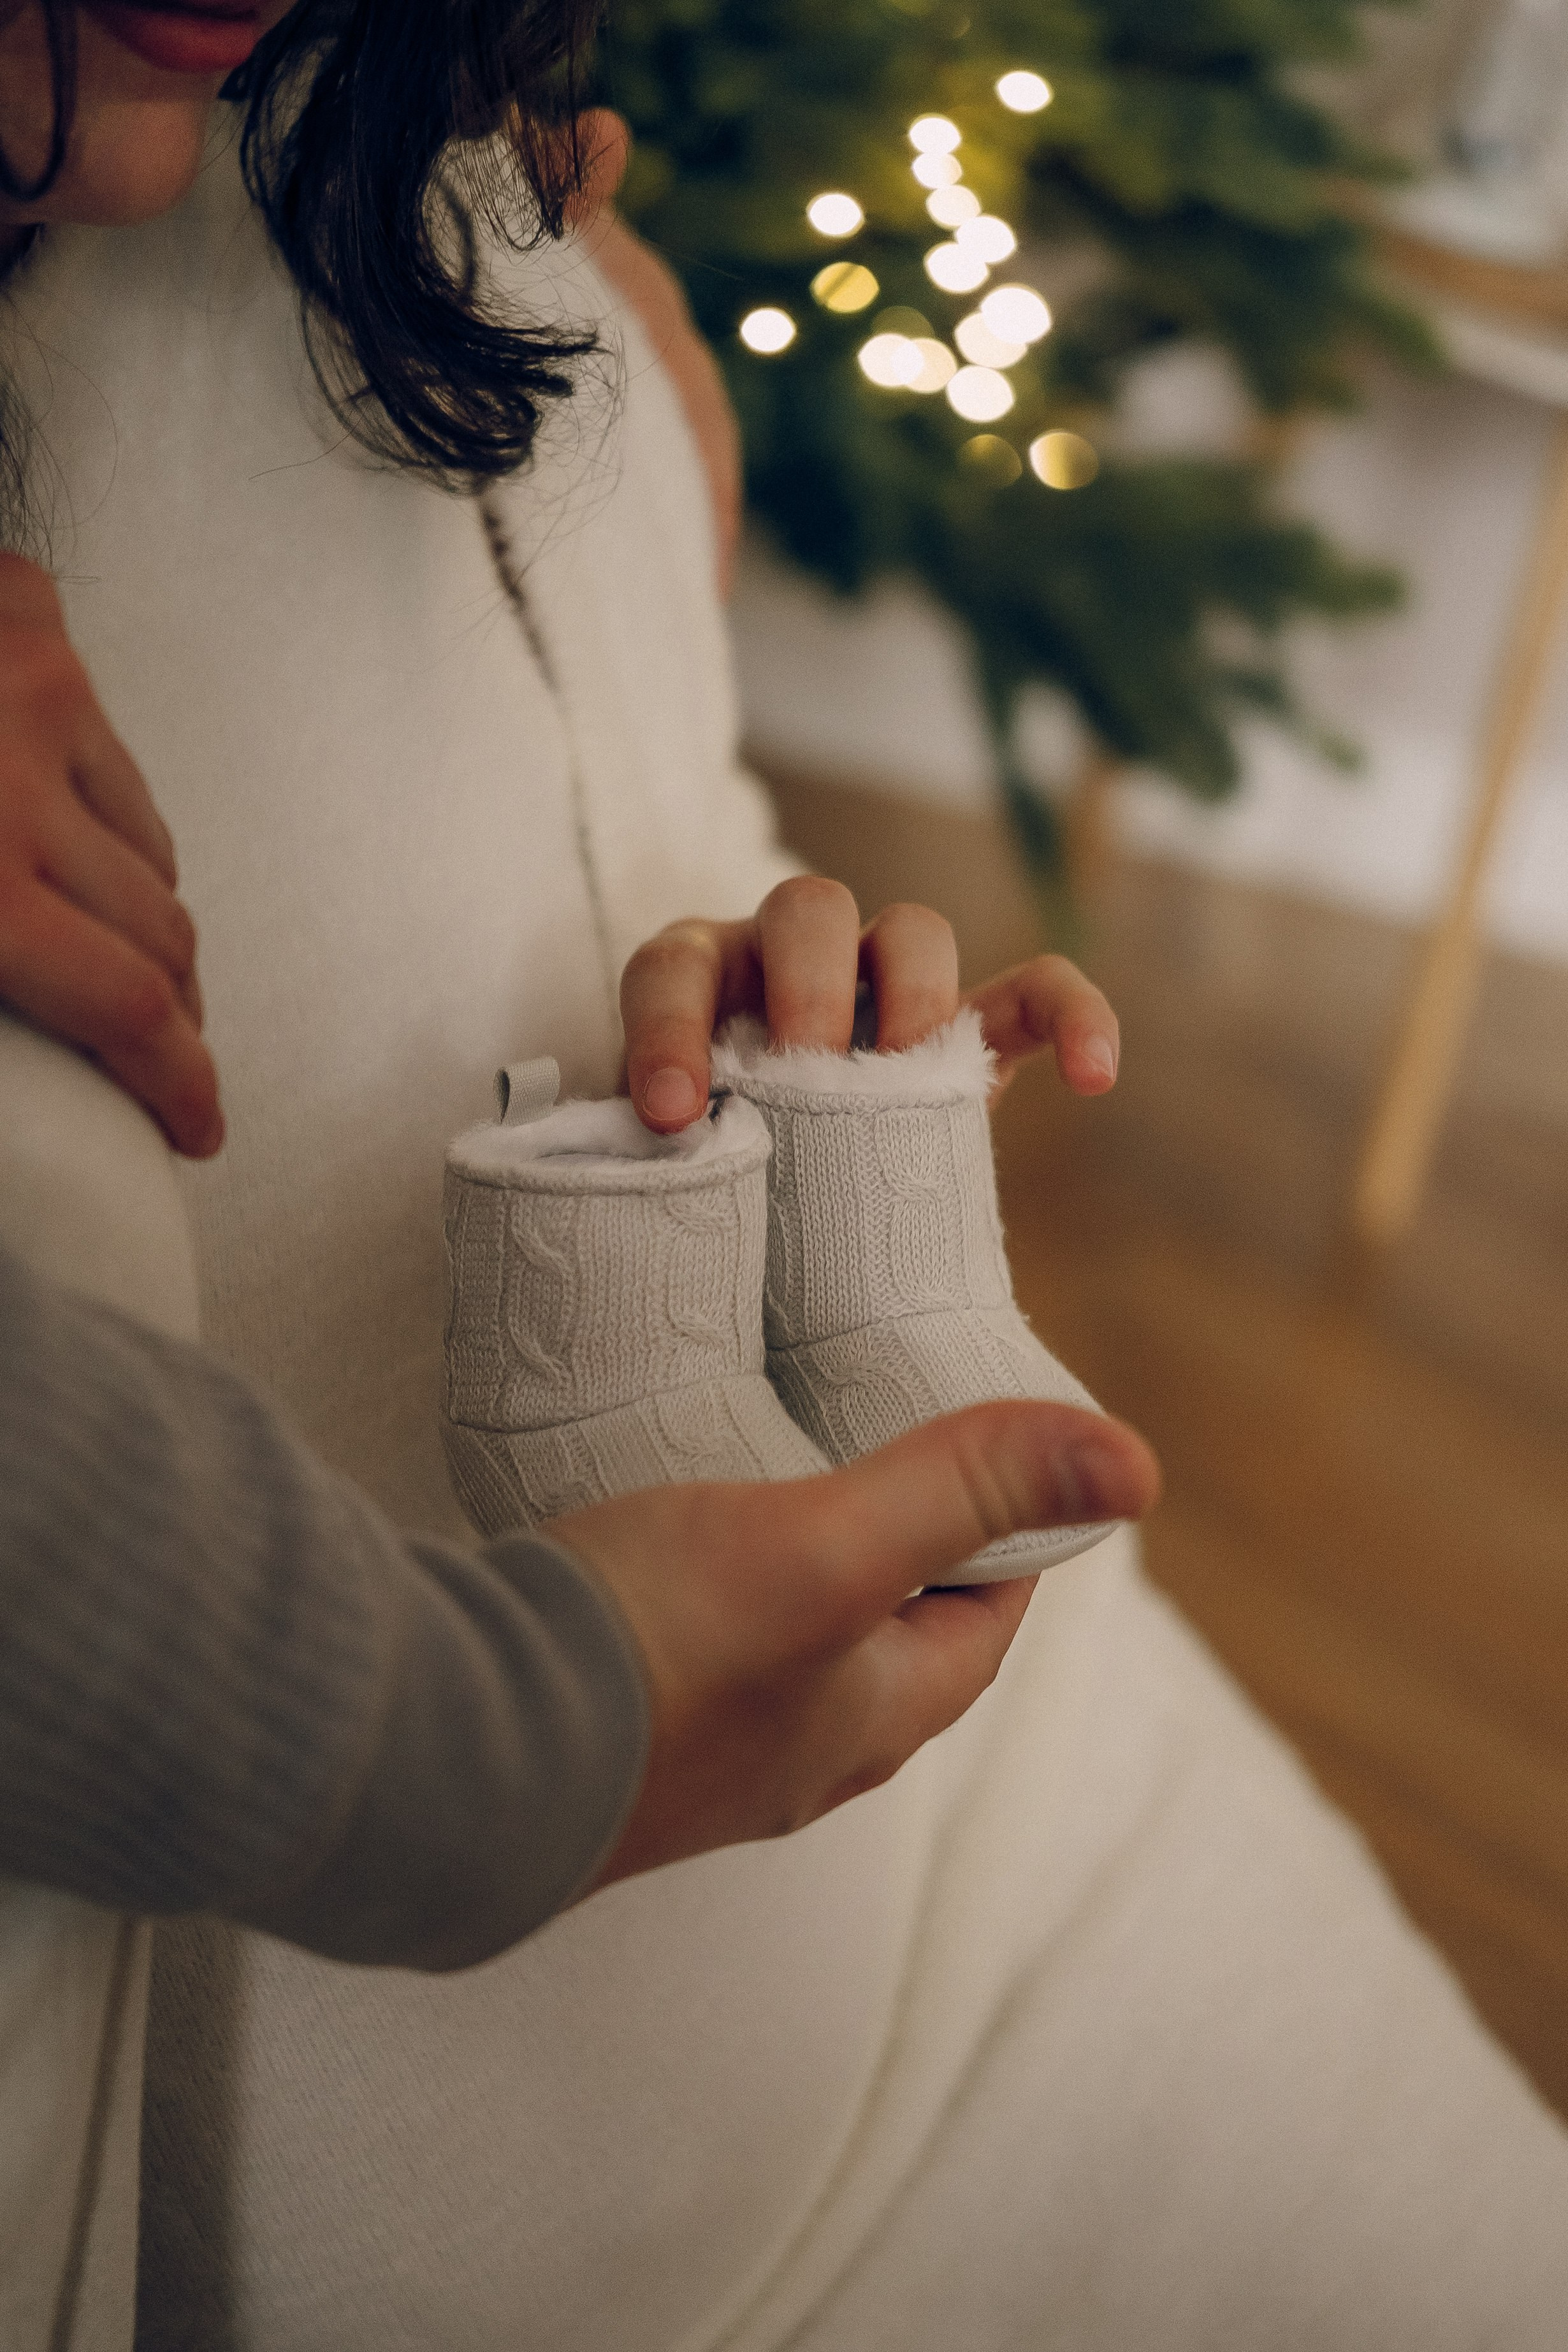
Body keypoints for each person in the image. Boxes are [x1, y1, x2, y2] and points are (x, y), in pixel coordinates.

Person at [2, 6, 1568, 2348]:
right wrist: (478, 1745)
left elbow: (588, 835)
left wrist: (774, 1005)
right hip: (504, 2132)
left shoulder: (483, 214)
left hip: (1005, 1871)